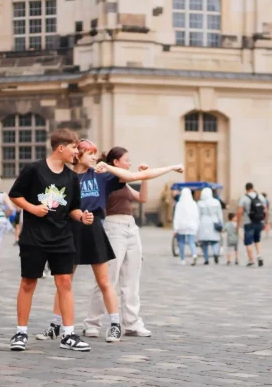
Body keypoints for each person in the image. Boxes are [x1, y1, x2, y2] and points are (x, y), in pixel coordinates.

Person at [8, 128, 93, 352]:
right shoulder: (34, 170)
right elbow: (14, 195)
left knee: (65, 283)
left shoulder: (72, 177)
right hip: (34, 237)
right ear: (61, 148)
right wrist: (33, 209)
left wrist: (82, 216)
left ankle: (68, 335)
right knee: (28, 283)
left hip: (62, 236)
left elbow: (73, 208)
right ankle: (20, 333)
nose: (77, 152)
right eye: (75, 147)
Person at [83, 147, 183, 337]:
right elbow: (126, 176)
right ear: (116, 162)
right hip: (113, 227)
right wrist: (168, 168)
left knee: (131, 278)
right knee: (107, 279)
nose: (130, 163)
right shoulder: (106, 179)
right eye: (126, 160)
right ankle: (92, 322)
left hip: (130, 227)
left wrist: (144, 176)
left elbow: (142, 198)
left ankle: (131, 322)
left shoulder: (123, 181)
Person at [36, 139, 125, 343]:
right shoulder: (65, 177)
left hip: (93, 228)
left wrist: (108, 166)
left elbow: (128, 176)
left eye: (95, 153)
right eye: (90, 153)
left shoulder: (100, 176)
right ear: (78, 155)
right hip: (69, 229)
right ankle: (55, 326)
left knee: (104, 281)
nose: (95, 157)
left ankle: (114, 325)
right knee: (64, 281)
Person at [237, 183, 267, 267]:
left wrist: (238, 223)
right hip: (259, 221)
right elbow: (265, 210)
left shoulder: (244, 198)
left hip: (248, 222)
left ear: (246, 189)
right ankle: (259, 255)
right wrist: (264, 221)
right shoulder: (260, 197)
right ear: (253, 188)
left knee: (248, 242)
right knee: (257, 240)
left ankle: (251, 260)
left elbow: (239, 212)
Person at [197, 187, 224, 265]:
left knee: (204, 242)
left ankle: (206, 258)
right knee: (214, 241)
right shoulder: (216, 202)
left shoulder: (200, 203)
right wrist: (221, 223)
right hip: (214, 221)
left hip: (203, 222)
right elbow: (219, 214)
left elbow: (198, 215)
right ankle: (215, 253)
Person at [173, 188, 199, 265]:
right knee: (191, 241)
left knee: (181, 242)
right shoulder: (193, 203)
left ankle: (182, 259)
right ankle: (194, 254)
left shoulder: (179, 204)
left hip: (181, 226)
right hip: (191, 225)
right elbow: (196, 215)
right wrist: (196, 225)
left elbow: (177, 216)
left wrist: (175, 228)